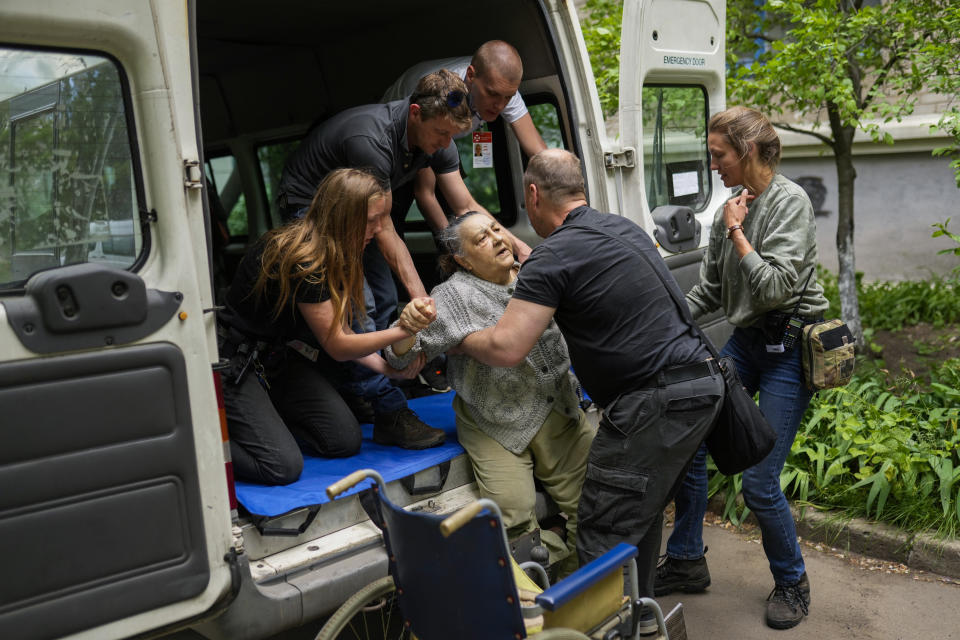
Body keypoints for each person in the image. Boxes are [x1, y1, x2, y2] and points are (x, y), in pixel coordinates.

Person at [453, 149, 725, 613]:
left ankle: (609, 622)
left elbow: (507, 348)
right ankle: (639, 618)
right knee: (640, 513)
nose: (501, 235)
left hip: (651, 403)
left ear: (534, 195)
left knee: (603, 528)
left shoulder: (550, 259)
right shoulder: (623, 228)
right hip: (702, 385)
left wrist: (459, 339)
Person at [655, 106, 828, 630]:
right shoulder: (728, 207)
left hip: (787, 348)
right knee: (689, 440)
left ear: (747, 151)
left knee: (758, 482)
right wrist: (663, 320)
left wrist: (738, 233)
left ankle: (792, 583)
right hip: (747, 343)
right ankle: (686, 560)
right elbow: (711, 288)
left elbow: (775, 288)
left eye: (718, 154)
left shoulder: (788, 203)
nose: (713, 165)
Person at [384, 211, 592, 575]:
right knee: (514, 527)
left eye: (497, 229)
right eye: (481, 238)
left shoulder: (537, 271)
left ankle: (560, 564)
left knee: (598, 508)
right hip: (493, 421)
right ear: (461, 260)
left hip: (557, 408)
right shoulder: (453, 296)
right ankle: (536, 591)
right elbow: (400, 360)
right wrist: (406, 327)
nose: (497, 238)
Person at [218, 168, 441, 486]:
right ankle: (206, 448)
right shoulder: (303, 259)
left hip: (275, 360)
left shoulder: (339, 252)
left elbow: (344, 333)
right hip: (234, 362)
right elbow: (336, 344)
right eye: (371, 220)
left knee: (343, 441)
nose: (378, 229)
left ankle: (266, 421)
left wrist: (386, 368)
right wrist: (403, 329)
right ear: (343, 217)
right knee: (281, 467)